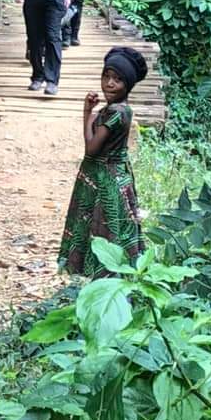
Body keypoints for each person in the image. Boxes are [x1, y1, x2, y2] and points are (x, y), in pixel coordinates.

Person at [58, 46, 147, 276]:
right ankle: (116, 279)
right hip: (114, 176)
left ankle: (103, 278)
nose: (109, 83)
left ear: (128, 84)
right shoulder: (121, 109)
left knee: (102, 228)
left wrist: (87, 113)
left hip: (105, 180)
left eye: (117, 79)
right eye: (106, 76)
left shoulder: (114, 112)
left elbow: (91, 149)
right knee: (113, 227)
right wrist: (92, 114)